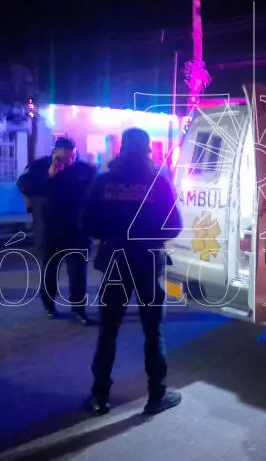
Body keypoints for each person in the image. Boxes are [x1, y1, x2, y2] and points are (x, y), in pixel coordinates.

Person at [81, 128, 183, 416]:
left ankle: (100, 397)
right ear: (147, 150)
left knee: (108, 330)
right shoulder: (158, 182)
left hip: (115, 259)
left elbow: (87, 223)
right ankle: (156, 396)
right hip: (148, 260)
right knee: (153, 330)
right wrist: (149, 237)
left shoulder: (103, 182)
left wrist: (112, 235)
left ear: (121, 149)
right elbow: (174, 225)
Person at [17, 137, 98, 324]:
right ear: (55, 153)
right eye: (65, 158)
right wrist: (50, 173)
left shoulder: (85, 170)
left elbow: (95, 195)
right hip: (48, 229)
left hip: (77, 230)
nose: (69, 161)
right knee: (50, 270)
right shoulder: (38, 167)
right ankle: (49, 306)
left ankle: (79, 310)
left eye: (72, 157)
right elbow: (25, 186)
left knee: (78, 272)